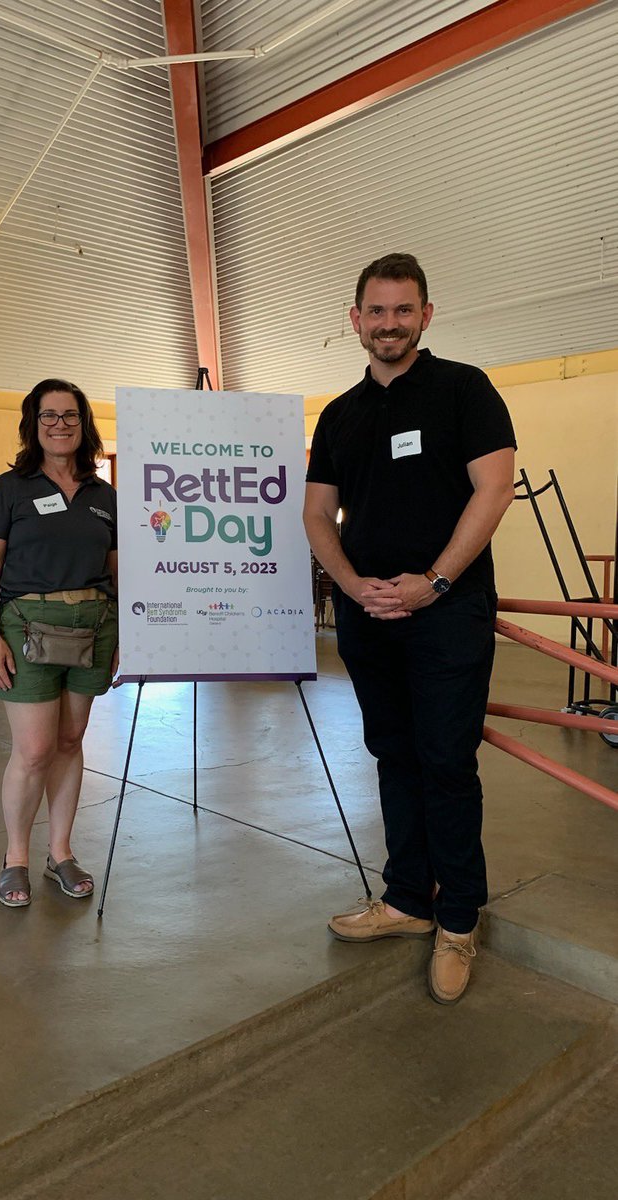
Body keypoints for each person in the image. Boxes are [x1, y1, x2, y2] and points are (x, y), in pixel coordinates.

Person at [303, 253, 516, 1004]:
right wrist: (352, 583)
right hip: (370, 614)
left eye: (403, 310)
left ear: (426, 314)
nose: (388, 323)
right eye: (376, 311)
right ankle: (406, 900)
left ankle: (458, 920)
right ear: (354, 319)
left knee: (446, 760)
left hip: (447, 612)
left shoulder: (465, 389)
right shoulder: (339, 414)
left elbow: (494, 489)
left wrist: (435, 582)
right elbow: (316, 514)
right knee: (392, 752)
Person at [0, 378, 118, 907]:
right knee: (33, 749)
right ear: (33, 425)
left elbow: (115, 570)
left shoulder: (105, 496)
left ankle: (60, 851)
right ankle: (16, 858)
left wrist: (123, 631)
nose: (60, 424)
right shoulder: (9, 488)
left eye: (70, 415)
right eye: (49, 416)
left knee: (70, 740)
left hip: (94, 625)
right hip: (26, 626)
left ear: (85, 425)